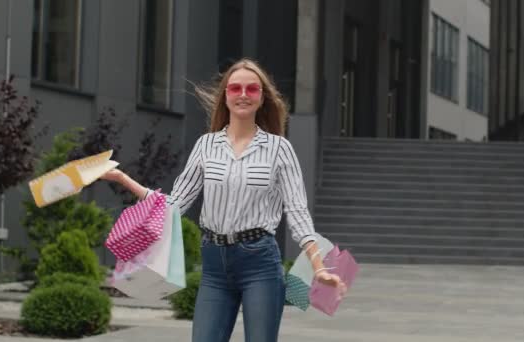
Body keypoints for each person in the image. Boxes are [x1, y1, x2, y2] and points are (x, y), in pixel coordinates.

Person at [100, 58, 345, 342]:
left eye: (252, 89)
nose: (243, 94)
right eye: (235, 88)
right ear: (225, 96)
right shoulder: (206, 145)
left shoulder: (280, 149)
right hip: (215, 264)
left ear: (262, 97)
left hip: (260, 262)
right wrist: (122, 179)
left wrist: (319, 268)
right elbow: (173, 206)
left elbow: (298, 213)